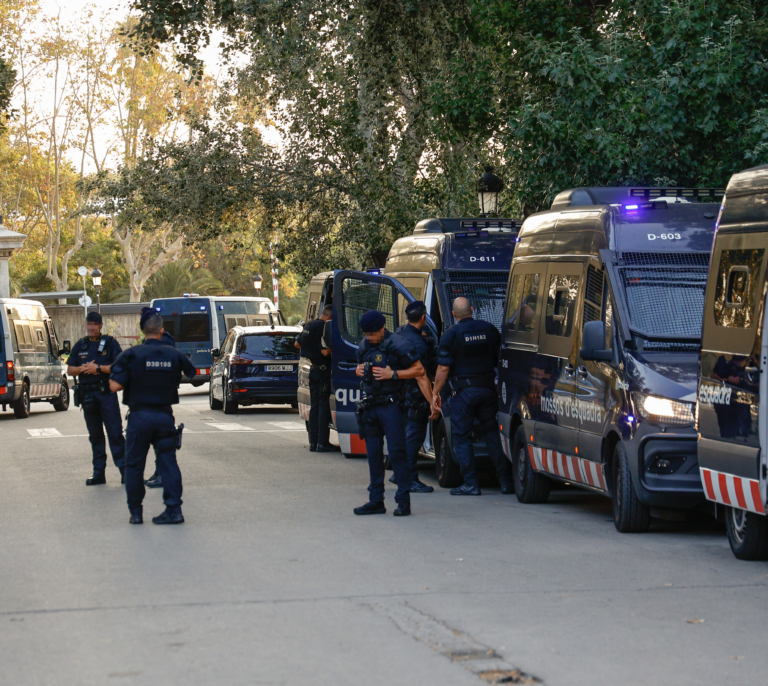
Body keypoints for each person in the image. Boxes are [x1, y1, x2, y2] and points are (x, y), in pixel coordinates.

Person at [109, 309, 197, 525]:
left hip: (139, 417)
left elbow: (114, 386)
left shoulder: (131, 355)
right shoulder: (174, 354)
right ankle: (174, 510)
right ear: (162, 331)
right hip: (165, 417)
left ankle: (136, 513)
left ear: (142, 331)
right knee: (168, 463)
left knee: (134, 465)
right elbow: (192, 374)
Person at [354, 310, 433, 517]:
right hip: (370, 406)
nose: (369, 338)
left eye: (373, 334)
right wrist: (358, 370)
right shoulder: (364, 345)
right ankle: (375, 501)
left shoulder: (399, 344)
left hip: (392, 406)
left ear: (382, 328)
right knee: (373, 455)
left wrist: (393, 374)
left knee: (397, 453)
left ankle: (403, 502)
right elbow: (360, 367)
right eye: (366, 334)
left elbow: (419, 371)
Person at [431, 297, 513, 496]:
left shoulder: (451, 334)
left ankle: (470, 483)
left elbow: (443, 369)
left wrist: (435, 394)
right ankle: (505, 482)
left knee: (462, 437)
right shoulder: (489, 329)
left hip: (465, 394)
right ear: (472, 309)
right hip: (488, 390)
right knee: (493, 435)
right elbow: (500, 359)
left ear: (453, 314)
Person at [67, 311, 126, 486]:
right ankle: (98, 474)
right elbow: (70, 369)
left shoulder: (110, 343)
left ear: (100, 326)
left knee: (115, 433)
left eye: (94, 325)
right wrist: (83, 369)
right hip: (87, 395)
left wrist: (98, 368)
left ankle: (125, 472)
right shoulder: (81, 345)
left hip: (106, 394)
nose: (91, 328)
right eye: (89, 324)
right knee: (95, 436)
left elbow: (120, 366)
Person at [388, 301, 439, 493]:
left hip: (397, 393)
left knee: (404, 435)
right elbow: (421, 376)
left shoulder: (400, 333)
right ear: (424, 318)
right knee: (414, 437)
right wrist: (432, 401)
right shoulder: (419, 342)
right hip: (414, 395)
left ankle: (399, 473)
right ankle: (408, 478)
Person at [295, 304, 339, 452]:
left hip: (312, 369)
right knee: (323, 407)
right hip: (323, 370)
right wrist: (337, 346)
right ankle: (322, 443)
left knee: (314, 407)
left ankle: (313, 442)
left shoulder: (309, 324)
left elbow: (297, 344)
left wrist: (311, 349)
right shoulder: (324, 327)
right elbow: (325, 352)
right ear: (331, 317)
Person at [144, 326, 178, 490]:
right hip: (157, 396)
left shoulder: (163, 341)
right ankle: (159, 472)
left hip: (161, 398)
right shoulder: (155, 340)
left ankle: (163, 474)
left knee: (163, 441)